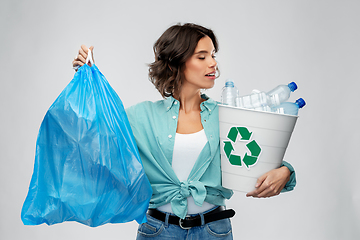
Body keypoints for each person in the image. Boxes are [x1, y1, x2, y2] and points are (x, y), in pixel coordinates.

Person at [72, 23, 296, 240]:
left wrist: (284, 172)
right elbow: (97, 143)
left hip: (214, 231)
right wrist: (89, 79)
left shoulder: (227, 116)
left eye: (213, 55)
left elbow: (262, 157)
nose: (213, 64)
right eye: (202, 57)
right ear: (174, 64)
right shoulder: (141, 117)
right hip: (157, 231)